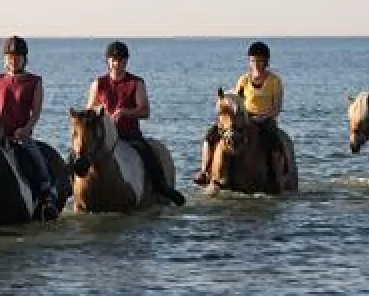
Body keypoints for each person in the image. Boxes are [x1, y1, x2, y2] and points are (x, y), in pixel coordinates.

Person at [85, 41, 186, 206]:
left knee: (147, 154)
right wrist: (99, 115)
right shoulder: (98, 84)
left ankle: (162, 187)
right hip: (103, 138)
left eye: (121, 60)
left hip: (128, 134)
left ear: (126, 62)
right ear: (107, 61)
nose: (117, 63)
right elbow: (89, 111)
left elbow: (145, 111)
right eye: (113, 60)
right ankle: (69, 186)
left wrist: (124, 112)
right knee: (79, 154)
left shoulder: (136, 83)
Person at [194, 41, 286, 193]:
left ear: (266, 62)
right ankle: (205, 171)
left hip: (265, 119)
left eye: (260, 60)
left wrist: (262, 117)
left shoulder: (275, 81)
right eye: (253, 60)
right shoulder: (243, 80)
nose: (256, 64)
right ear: (249, 61)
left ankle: (276, 178)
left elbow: (276, 108)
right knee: (211, 135)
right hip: (244, 117)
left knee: (274, 142)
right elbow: (236, 99)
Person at [0, 36, 57, 218]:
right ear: (5, 59)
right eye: (10, 57)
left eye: (18, 57)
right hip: (0, 136)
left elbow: (36, 112)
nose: (13, 60)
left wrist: (27, 129)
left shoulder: (34, 81)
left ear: (24, 59)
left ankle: (47, 196)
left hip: (21, 134)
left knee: (37, 159)